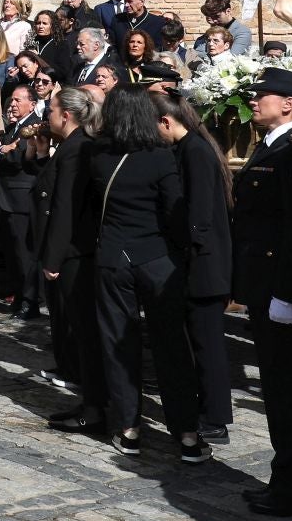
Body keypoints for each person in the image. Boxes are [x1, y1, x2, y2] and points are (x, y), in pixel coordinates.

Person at [84, 86, 209, 464]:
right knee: (172, 347)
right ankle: (187, 433)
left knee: (120, 345)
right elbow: (175, 212)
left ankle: (129, 428)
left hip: (113, 258)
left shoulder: (98, 155)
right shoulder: (161, 156)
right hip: (156, 258)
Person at [234, 67, 292, 518]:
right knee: (277, 388)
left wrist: (287, 294)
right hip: (264, 285)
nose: (254, 101)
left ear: (288, 104)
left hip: (281, 292)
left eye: (262, 95)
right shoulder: (270, 146)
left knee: (291, 390)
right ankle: (286, 476)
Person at [149, 90, 235, 441]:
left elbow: (199, 213)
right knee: (198, 342)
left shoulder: (195, 151)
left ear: (166, 122)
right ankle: (204, 408)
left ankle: (216, 417)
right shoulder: (186, 148)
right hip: (196, 261)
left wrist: (184, 248)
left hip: (204, 265)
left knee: (207, 345)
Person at [40, 89, 106, 435]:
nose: (47, 115)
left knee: (86, 332)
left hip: (75, 254)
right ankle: (91, 401)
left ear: (65, 115)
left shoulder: (77, 148)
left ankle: (95, 408)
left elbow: (65, 207)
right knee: (80, 332)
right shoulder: (73, 145)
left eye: (51, 109)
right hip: (73, 252)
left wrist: (52, 258)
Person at [0, 84, 45, 317]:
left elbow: (17, 158)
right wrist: (3, 149)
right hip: (7, 198)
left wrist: (3, 151)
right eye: (11, 100)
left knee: (24, 253)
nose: (12, 104)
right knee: (12, 254)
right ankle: (19, 296)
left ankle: (30, 301)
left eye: (18, 100)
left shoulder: (33, 126)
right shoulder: (13, 127)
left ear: (32, 104)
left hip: (21, 198)